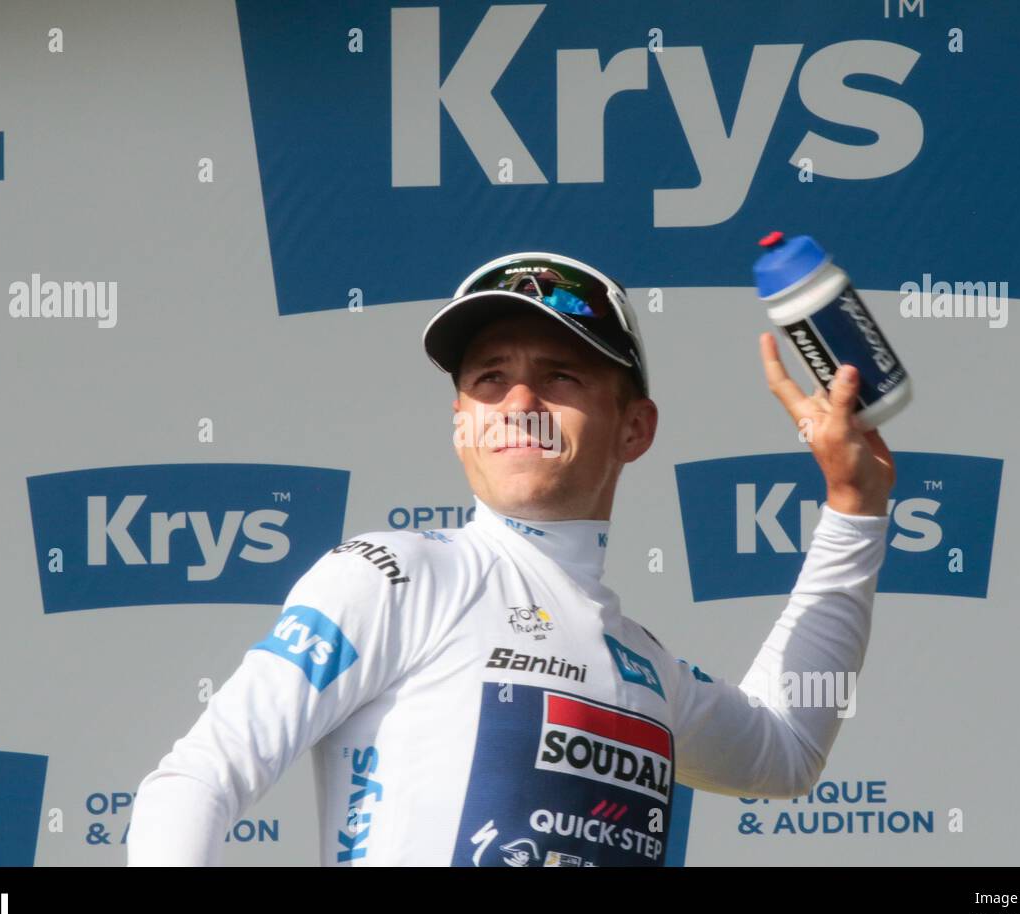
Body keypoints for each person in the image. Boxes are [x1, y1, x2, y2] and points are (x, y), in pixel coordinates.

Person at [127, 251, 895, 867]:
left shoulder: (647, 669)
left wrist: (853, 508)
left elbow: (786, 749)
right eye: (490, 378)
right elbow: (197, 779)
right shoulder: (396, 577)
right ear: (461, 422)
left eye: (560, 375)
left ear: (635, 429)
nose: (520, 402)